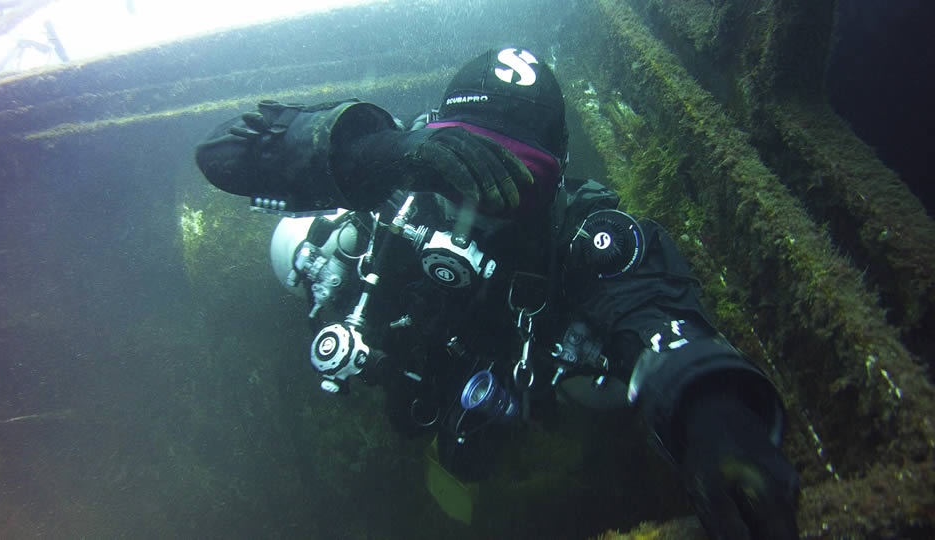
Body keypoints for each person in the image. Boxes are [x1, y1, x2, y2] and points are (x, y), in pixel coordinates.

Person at [195, 46, 800, 539]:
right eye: (464, 167)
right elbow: (221, 154)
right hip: (413, 362)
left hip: (505, 376)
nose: (484, 204)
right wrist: (380, 153)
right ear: (433, 141)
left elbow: (651, 306)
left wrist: (714, 418)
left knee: (573, 413)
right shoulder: (393, 189)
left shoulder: (580, 236)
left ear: (561, 173)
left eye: (522, 182)